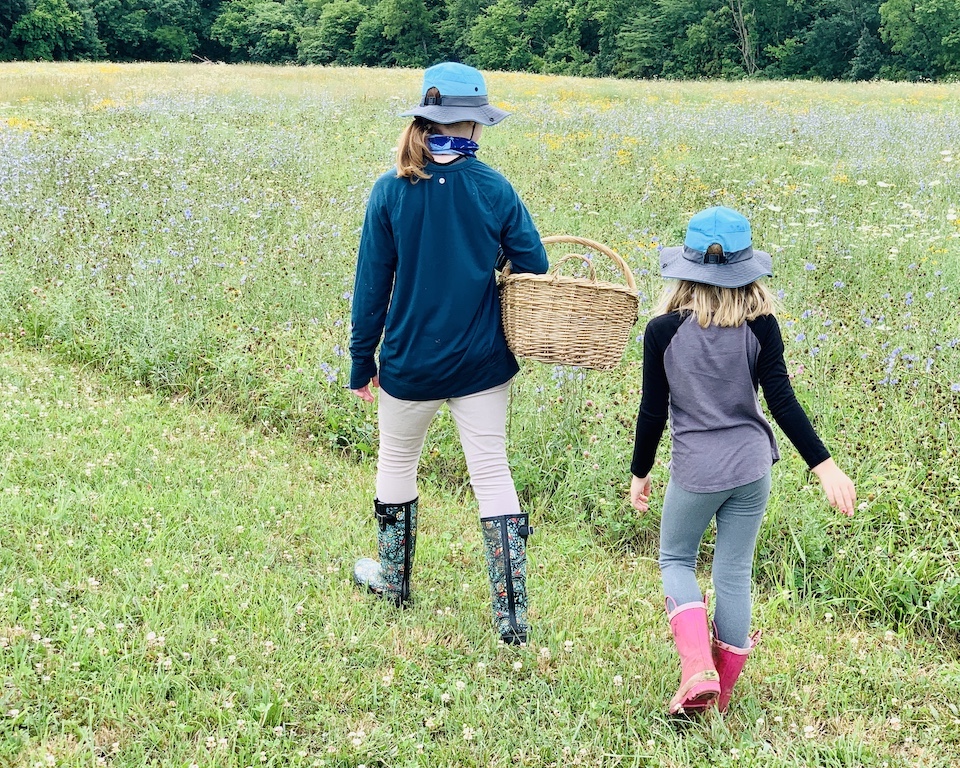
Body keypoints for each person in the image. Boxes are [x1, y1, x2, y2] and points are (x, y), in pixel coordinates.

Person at [348, 62, 548, 645]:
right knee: (491, 471)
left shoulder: (389, 191)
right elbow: (535, 266)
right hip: (483, 361)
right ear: (476, 125)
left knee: (396, 463)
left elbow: (370, 288)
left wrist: (364, 361)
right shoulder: (493, 187)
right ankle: (511, 619)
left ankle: (393, 579)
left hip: (409, 362)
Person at [629, 206, 856, 714]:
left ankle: (696, 671)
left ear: (685, 269)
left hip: (697, 472)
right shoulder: (762, 325)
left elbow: (652, 411)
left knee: (676, 560)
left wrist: (639, 473)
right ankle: (720, 699)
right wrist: (825, 466)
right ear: (746, 269)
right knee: (734, 572)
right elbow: (782, 400)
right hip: (752, 468)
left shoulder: (662, 331)